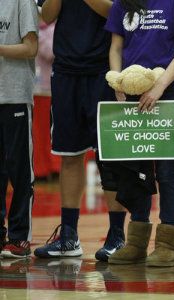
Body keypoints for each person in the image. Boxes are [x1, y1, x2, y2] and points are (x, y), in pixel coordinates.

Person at [104, 0, 174, 266]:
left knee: (167, 169)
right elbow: (116, 46)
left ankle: (167, 244)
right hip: (131, 89)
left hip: (169, 89)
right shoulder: (121, 3)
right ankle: (136, 241)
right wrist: (117, 80)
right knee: (135, 166)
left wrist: (159, 87)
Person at [34, 0, 127, 262]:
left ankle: (117, 235)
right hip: (65, 69)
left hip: (104, 70)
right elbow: (48, 16)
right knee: (70, 154)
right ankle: (68, 236)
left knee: (109, 157)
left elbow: (116, 12)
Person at [0, 0, 38, 258]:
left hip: (14, 95)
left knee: (19, 169)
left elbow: (31, 47)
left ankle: (19, 236)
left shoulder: (21, 0)